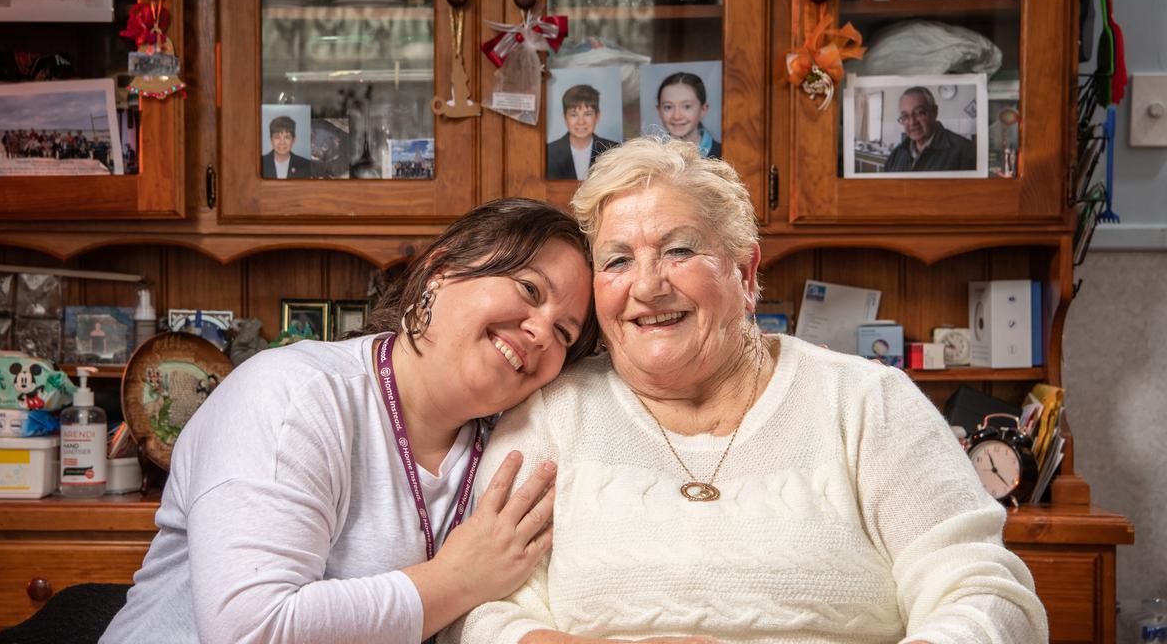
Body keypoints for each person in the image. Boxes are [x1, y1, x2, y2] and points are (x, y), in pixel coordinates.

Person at [446, 138, 1048, 644]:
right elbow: (480, 612)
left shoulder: (867, 403)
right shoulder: (553, 414)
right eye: (618, 260)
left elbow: (985, 593)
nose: (649, 286)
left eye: (680, 250)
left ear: (746, 272)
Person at [102, 197, 600, 644]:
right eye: (530, 290)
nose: (540, 333)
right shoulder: (294, 394)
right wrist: (460, 578)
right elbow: (251, 631)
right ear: (439, 272)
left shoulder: (506, 449)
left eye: (564, 332)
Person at [883, 86, 976, 173]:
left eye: (920, 113)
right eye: (905, 116)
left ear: (934, 112)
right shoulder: (896, 154)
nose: (912, 122)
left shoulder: (965, 151)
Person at [547, 84, 619, 180]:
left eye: (587, 114)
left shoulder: (613, 151)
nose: (581, 122)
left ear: (597, 116)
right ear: (565, 117)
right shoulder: (548, 152)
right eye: (574, 115)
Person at [656, 72, 721, 159]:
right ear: (659, 110)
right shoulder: (651, 156)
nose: (677, 116)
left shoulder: (724, 153)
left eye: (687, 106)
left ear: (703, 109)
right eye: (668, 107)